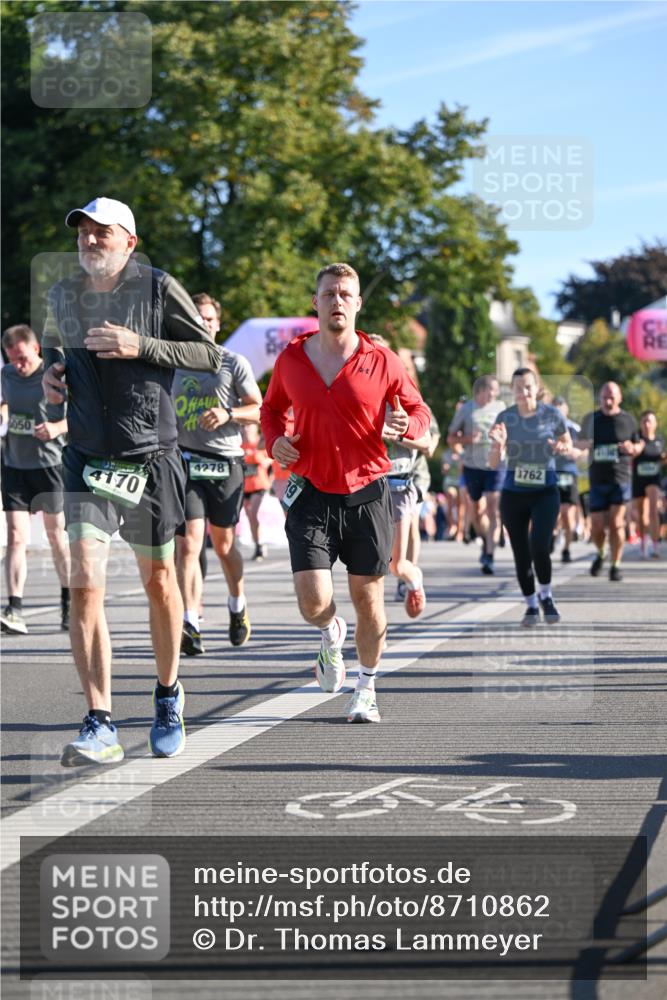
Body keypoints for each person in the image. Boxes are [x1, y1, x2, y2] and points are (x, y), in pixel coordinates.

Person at [41, 196, 219, 766]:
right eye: (84, 233)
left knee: (159, 580)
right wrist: (53, 375)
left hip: (149, 457)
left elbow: (207, 355)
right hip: (87, 457)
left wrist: (140, 345)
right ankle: (99, 721)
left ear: (130, 243)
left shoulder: (159, 288)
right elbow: (58, 355)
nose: (90, 240)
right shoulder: (63, 295)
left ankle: (168, 695)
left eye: (103, 232)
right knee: (85, 584)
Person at [260, 262, 430, 723]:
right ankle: (330, 631)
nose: (337, 300)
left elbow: (420, 414)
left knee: (369, 599)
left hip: (367, 494)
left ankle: (367, 687)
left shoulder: (383, 360)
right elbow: (271, 410)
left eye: (345, 294)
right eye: (329, 293)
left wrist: (407, 426)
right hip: (312, 492)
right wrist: (274, 440)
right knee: (313, 602)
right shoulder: (292, 360)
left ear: (357, 304)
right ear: (315, 302)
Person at [173, 292, 262, 655]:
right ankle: (190, 621)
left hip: (225, 461)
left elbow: (258, 409)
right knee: (189, 543)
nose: (204, 324)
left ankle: (237, 604)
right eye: (199, 318)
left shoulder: (232, 362)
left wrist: (229, 414)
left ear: (218, 323)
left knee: (224, 546)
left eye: (210, 319)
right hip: (185, 460)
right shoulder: (174, 363)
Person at [1, 325, 70, 634]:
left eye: (23, 358)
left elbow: (82, 413)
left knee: (56, 536)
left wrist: (57, 429)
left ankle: (70, 600)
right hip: (15, 465)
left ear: (36, 349)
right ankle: (14, 608)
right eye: (12, 359)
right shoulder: (6, 376)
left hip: (50, 466)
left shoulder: (56, 375)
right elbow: (4, 401)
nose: (18, 364)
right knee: (15, 536)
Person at [488, 368, 571, 626]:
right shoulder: (505, 417)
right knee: (521, 553)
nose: (524, 392)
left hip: (545, 492)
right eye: (518, 388)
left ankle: (546, 594)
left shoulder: (552, 415)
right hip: (514, 494)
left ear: (536, 388)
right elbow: (493, 464)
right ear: (511, 390)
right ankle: (531, 605)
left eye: (528, 387)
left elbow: (567, 443)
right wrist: (497, 446)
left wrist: (562, 447)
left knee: (539, 546)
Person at [579, 382, 643, 582]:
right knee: (597, 526)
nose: (608, 401)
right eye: (605, 397)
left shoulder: (628, 420)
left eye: (612, 397)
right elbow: (578, 443)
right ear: (599, 398)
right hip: (597, 479)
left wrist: (633, 448)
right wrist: (584, 445)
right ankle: (600, 552)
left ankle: (615, 566)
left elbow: (639, 443)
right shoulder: (591, 419)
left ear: (619, 398)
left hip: (620, 478)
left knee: (616, 524)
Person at [447, 375, 506, 574]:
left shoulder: (501, 408)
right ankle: (483, 539)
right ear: (482, 390)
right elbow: (450, 438)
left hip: (495, 465)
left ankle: (489, 555)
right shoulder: (467, 409)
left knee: (492, 507)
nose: (495, 393)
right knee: (476, 509)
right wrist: (467, 440)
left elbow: (510, 434)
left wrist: (503, 444)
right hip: (473, 466)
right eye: (493, 389)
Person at [552, 396, 587, 563]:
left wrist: (577, 453)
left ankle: (566, 548)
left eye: (561, 406)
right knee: (552, 512)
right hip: (551, 473)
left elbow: (585, 449)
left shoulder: (574, 428)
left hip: (568, 473)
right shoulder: (546, 427)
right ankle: (552, 534)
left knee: (567, 512)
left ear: (566, 409)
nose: (558, 409)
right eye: (555, 406)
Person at [632, 410, 665, 559]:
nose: (646, 424)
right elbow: (630, 455)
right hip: (639, 479)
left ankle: (655, 545)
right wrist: (635, 449)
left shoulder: (660, 440)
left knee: (653, 509)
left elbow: (662, 459)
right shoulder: (636, 439)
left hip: (653, 479)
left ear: (655, 424)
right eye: (644, 421)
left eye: (649, 421)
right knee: (641, 514)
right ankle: (643, 543)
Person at [242, 423, 273, 560]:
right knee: (249, 516)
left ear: (256, 428)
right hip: (244, 487)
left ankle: (259, 546)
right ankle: (257, 544)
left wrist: (254, 456)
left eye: (249, 426)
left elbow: (269, 461)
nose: (246, 428)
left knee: (254, 514)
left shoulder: (260, 443)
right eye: (244, 426)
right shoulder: (239, 445)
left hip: (259, 484)